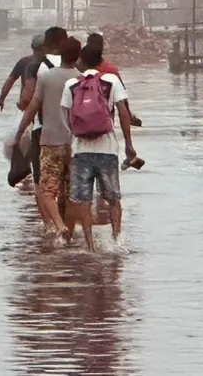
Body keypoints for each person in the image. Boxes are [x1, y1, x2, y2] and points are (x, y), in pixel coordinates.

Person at [61, 45, 137, 252]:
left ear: (81, 62)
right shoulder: (111, 81)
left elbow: (66, 119)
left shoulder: (71, 85)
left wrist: (75, 140)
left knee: (83, 200)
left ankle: (90, 245)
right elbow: (123, 114)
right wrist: (129, 146)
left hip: (81, 151)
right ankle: (117, 241)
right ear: (100, 59)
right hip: (108, 149)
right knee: (113, 198)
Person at [13, 37, 83, 237]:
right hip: (76, 144)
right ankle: (70, 233)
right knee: (70, 192)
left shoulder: (47, 77)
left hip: (51, 141)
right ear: (78, 56)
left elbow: (32, 107)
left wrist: (19, 133)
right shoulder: (82, 79)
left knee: (46, 191)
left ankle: (58, 227)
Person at [17, 27, 67, 188]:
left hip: (45, 132)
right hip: (74, 133)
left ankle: (48, 214)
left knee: (43, 184)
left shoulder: (36, 66)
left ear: (47, 43)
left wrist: (18, 134)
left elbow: (28, 101)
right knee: (69, 185)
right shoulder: (78, 66)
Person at [0, 35, 45, 113]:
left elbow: (10, 80)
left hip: (26, 105)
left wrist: (1, 100)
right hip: (45, 106)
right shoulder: (53, 63)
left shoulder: (24, 62)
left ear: (32, 47)